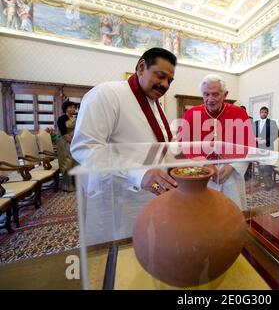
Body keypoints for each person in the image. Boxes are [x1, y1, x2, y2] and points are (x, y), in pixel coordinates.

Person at [71, 47, 178, 245]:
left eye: (169, 81)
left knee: (149, 254)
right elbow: (86, 148)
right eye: (160, 76)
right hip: (116, 199)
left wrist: (182, 163)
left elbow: (159, 148)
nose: (164, 84)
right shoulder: (106, 94)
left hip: (152, 198)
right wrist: (139, 173)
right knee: (119, 264)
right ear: (141, 67)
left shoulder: (155, 105)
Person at [177, 74, 256, 209]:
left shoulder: (240, 114)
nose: (210, 99)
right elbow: (181, 145)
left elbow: (250, 145)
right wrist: (204, 164)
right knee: (203, 215)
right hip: (201, 175)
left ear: (225, 94)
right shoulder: (191, 114)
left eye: (215, 94)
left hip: (231, 175)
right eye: (206, 94)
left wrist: (232, 166)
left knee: (232, 214)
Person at [253, 106, 279, 189]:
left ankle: (269, 184)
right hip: (258, 147)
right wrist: (255, 139)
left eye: (265, 112)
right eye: (262, 112)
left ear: (267, 113)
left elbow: (275, 134)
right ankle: (261, 181)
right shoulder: (256, 122)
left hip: (268, 147)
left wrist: (265, 141)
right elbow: (251, 134)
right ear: (259, 113)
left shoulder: (272, 122)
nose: (263, 113)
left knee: (267, 165)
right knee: (260, 164)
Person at [57, 100, 78, 192]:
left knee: (75, 162)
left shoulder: (76, 118)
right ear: (65, 108)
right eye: (70, 107)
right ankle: (67, 185)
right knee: (67, 162)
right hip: (65, 142)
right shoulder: (62, 119)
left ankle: (76, 184)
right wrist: (72, 142)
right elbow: (63, 133)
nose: (72, 109)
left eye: (74, 107)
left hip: (74, 141)